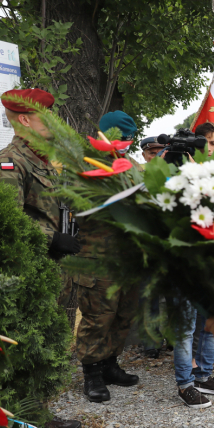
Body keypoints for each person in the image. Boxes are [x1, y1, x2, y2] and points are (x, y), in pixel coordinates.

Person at [0, 88, 83, 428]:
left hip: (49, 268)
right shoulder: (8, 161)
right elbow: (7, 220)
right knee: (26, 348)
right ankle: (23, 425)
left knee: (45, 344)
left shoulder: (43, 161)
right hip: (27, 271)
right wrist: (52, 238)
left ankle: (39, 414)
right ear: (27, 120)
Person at [62, 110, 142, 402]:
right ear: (107, 134)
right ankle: (91, 374)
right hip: (98, 257)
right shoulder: (84, 163)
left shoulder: (132, 165)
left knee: (123, 313)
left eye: (130, 139)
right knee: (98, 316)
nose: (127, 143)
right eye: (123, 137)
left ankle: (110, 365)